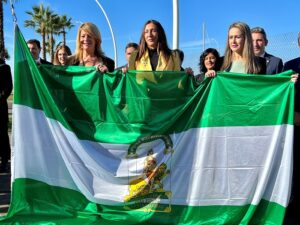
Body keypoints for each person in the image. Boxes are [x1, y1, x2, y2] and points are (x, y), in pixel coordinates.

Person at [0, 58, 13, 172]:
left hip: (0, 107)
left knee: (2, 134)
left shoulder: (4, 67)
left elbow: (9, 87)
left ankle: (4, 161)